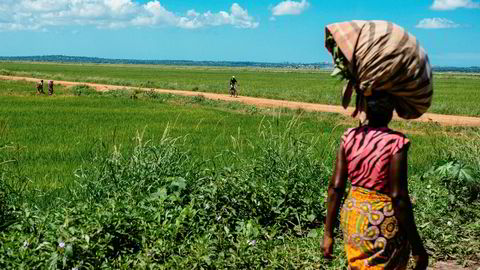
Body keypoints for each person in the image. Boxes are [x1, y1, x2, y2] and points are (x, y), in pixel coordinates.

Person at [323, 21, 432, 270]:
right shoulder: (396, 143)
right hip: (382, 223)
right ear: (393, 109)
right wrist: (418, 247)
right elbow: (399, 197)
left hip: (354, 219)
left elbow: (336, 188)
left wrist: (328, 233)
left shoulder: (349, 137)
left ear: (363, 105)